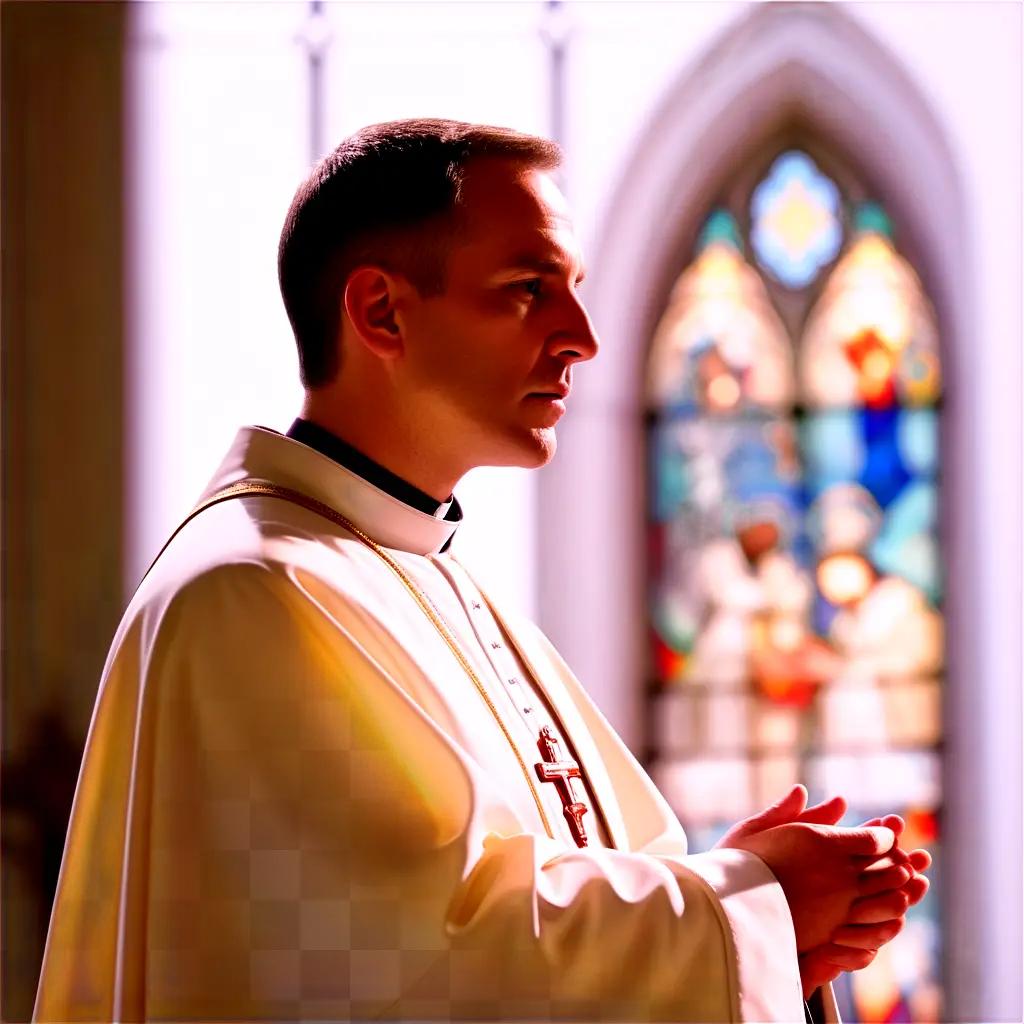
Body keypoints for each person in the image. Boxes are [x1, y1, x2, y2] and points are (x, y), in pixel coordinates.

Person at [34, 119, 929, 1023]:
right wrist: (743, 908)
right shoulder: (252, 596)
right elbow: (404, 968)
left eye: (574, 290)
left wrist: (746, 914)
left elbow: (508, 907)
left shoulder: (425, 576)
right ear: (382, 312)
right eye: (528, 291)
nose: (582, 337)